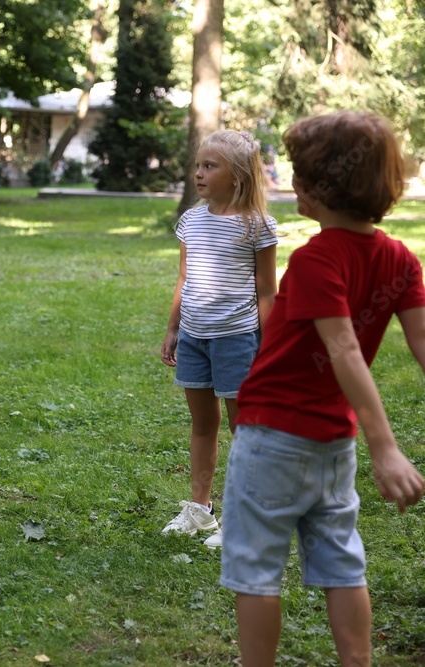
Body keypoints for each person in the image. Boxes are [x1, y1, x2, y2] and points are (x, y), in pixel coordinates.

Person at [221, 111, 425, 666]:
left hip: (271, 436)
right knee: (341, 561)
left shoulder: (314, 260)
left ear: (322, 188)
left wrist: (386, 446)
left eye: (300, 175)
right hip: (334, 442)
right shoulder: (401, 259)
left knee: (256, 568)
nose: (293, 184)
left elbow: (343, 349)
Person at [161, 130, 279, 548]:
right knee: (202, 425)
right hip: (194, 337)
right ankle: (200, 511)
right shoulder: (192, 221)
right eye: (198, 165)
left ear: (239, 175)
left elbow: (267, 290)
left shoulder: (256, 226)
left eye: (210, 166)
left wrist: (271, 343)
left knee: (241, 428)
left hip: (237, 340)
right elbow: (184, 279)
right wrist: (173, 328)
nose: (199, 173)